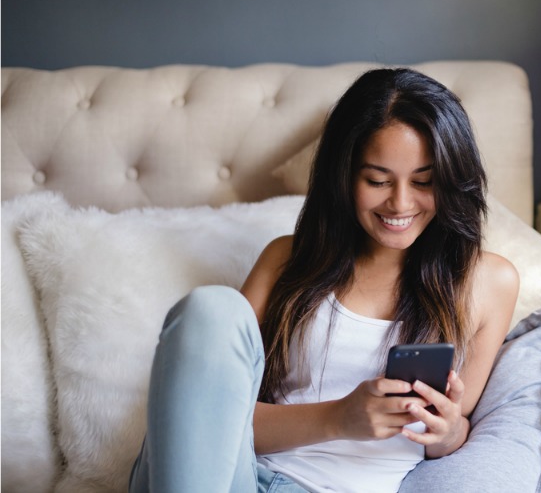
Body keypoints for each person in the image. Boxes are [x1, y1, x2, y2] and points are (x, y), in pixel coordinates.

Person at [128, 67, 520, 493]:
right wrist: (339, 418)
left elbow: (456, 427)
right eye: (377, 180)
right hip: (230, 478)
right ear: (345, 177)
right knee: (210, 309)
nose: (401, 203)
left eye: (424, 182)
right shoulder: (286, 260)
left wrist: (446, 433)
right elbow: (208, 420)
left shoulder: (488, 283)